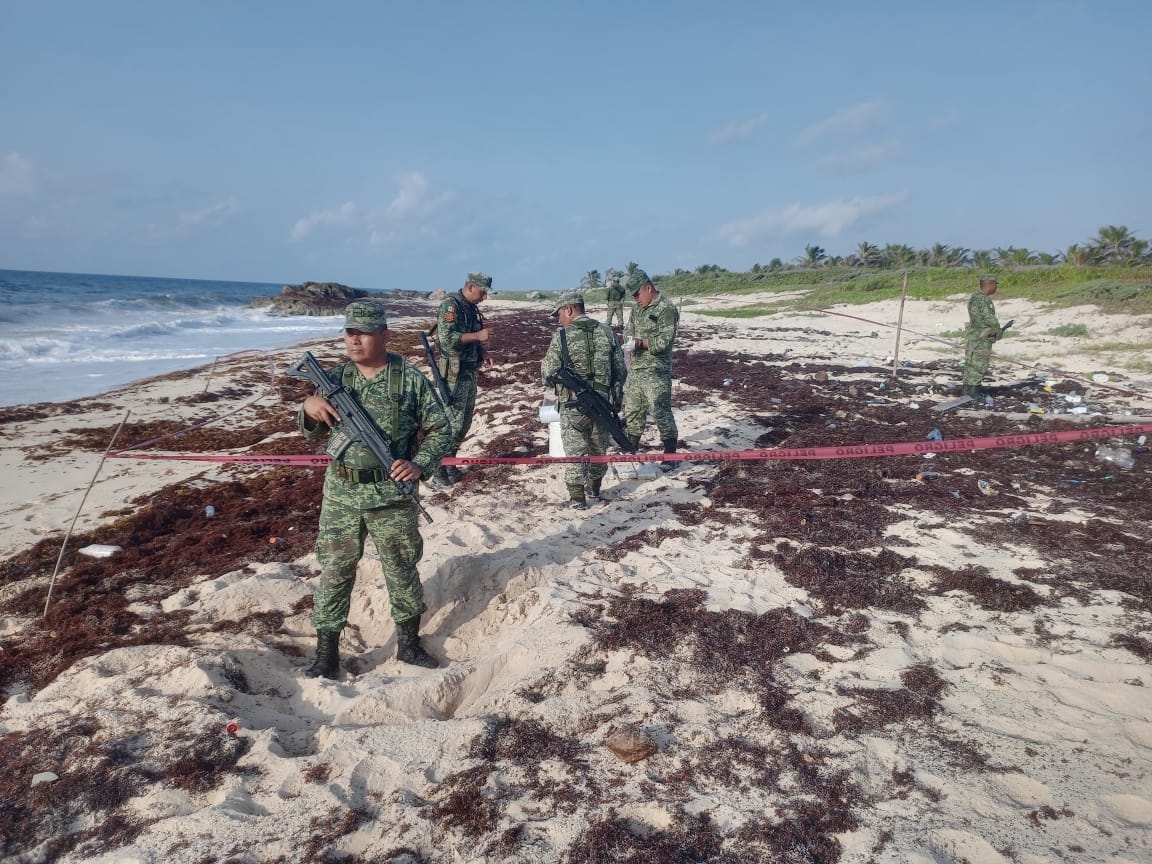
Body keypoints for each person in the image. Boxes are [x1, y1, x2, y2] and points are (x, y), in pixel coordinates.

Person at [298, 299, 452, 678]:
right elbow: (310, 430)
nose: (355, 340)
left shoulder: (408, 378)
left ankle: (410, 645)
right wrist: (309, 406)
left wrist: (419, 464)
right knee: (335, 570)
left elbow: (441, 428)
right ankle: (326, 654)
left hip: (391, 495)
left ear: (383, 334)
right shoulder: (332, 378)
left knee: (401, 568)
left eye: (364, 333)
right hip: (341, 493)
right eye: (350, 332)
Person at [540, 290, 627, 508]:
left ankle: (577, 499)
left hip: (572, 406)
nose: (559, 319)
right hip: (602, 404)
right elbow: (620, 372)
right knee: (598, 449)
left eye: (559, 314)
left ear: (569, 310)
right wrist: (615, 401)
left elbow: (547, 375)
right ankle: (594, 489)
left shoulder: (561, 337)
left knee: (575, 452)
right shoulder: (607, 332)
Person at [432, 271, 492, 485]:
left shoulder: (470, 307)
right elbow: (446, 339)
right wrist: (477, 336)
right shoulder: (451, 306)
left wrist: (483, 352)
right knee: (451, 424)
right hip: (453, 374)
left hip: (468, 370)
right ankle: (438, 470)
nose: (484, 297)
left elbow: (472, 335)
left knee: (464, 422)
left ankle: (451, 464)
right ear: (471, 287)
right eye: (482, 293)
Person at [622, 269, 680, 468]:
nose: (636, 299)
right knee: (633, 409)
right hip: (637, 368)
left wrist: (639, 343)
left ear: (648, 288)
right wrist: (629, 340)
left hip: (656, 369)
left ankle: (670, 454)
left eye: (637, 294)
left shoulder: (666, 308)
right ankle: (631, 448)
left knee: (660, 409)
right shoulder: (637, 308)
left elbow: (664, 340)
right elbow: (628, 328)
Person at [962, 277, 1012, 396]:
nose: (996, 287)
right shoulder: (984, 300)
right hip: (983, 336)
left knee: (970, 363)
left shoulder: (974, 297)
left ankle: (967, 390)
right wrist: (998, 332)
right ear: (989, 284)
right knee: (979, 364)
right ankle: (974, 392)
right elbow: (989, 318)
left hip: (973, 335)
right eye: (995, 285)